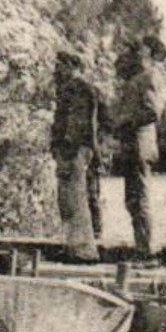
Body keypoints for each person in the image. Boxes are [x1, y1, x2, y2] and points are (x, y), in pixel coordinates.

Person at [52, 50, 109, 261]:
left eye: (61, 64)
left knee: (74, 198)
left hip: (73, 151)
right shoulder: (74, 88)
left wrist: (66, 148)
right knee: (69, 200)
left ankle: (83, 251)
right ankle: (74, 247)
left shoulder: (78, 88)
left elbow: (78, 124)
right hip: (73, 150)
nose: (57, 69)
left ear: (71, 66)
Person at [115, 39, 163, 260]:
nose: (136, 55)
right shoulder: (139, 78)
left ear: (149, 55)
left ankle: (147, 251)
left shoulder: (148, 77)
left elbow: (153, 112)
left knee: (139, 198)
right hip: (133, 145)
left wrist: (126, 121)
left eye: (141, 52)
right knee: (133, 199)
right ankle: (142, 247)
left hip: (139, 145)